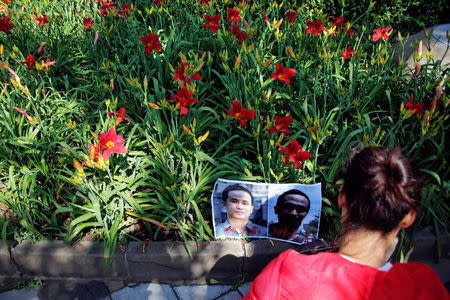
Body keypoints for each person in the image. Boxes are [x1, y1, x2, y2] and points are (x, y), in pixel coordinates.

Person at [243, 146, 449, 299]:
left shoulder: (290, 271)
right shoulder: (425, 285)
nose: (294, 213)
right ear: (408, 218)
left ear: (342, 197)